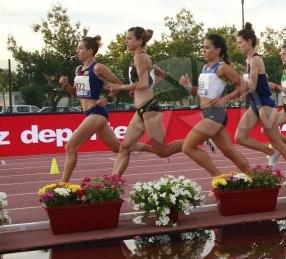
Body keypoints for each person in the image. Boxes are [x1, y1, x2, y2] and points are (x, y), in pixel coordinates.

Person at [57, 35, 155, 183]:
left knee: (70, 147)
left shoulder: (98, 67)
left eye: (80, 48)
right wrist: (66, 86)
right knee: (118, 148)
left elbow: (118, 84)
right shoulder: (78, 69)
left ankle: (62, 184)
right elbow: (77, 94)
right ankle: (155, 149)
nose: (77, 51)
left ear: (90, 51)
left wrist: (108, 98)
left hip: (97, 113)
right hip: (88, 113)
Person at [108, 27, 181, 176]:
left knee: (163, 151)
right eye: (126, 38)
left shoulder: (141, 57)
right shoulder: (139, 57)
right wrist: (137, 88)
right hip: (140, 109)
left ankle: (198, 139)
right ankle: (113, 182)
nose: (125, 41)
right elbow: (157, 77)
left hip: (149, 108)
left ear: (139, 41)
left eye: (129, 38)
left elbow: (144, 83)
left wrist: (120, 87)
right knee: (125, 147)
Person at [179, 34, 253, 177]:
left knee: (187, 147)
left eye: (207, 47)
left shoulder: (222, 68)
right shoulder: (206, 68)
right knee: (228, 152)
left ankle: (218, 178)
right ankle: (253, 175)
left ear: (218, 50)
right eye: (203, 47)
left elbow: (245, 85)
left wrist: (226, 97)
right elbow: (200, 94)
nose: (203, 50)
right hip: (208, 113)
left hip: (215, 114)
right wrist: (187, 86)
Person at [233, 23, 286, 169]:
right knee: (240, 137)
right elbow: (250, 85)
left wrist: (237, 82)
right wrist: (241, 91)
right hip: (254, 104)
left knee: (278, 143)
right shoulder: (247, 61)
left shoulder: (256, 59)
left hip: (265, 104)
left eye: (240, 42)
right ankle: (270, 152)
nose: (238, 46)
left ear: (249, 42)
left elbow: (253, 85)